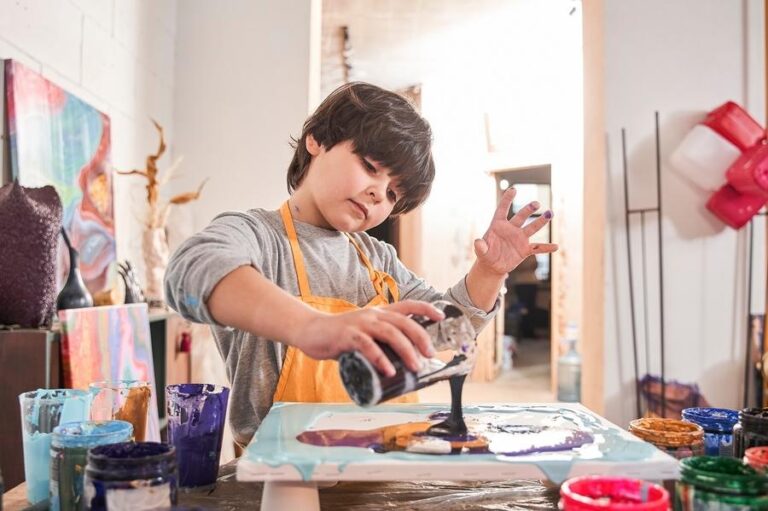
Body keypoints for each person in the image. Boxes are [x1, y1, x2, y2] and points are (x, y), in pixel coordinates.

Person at [164, 82, 557, 447]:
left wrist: (488, 273)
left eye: (391, 193)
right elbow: (190, 271)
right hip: (287, 474)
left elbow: (443, 331)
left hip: (381, 461)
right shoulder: (260, 238)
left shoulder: (377, 258)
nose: (376, 194)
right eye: (370, 167)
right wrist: (312, 327)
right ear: (316, 140)